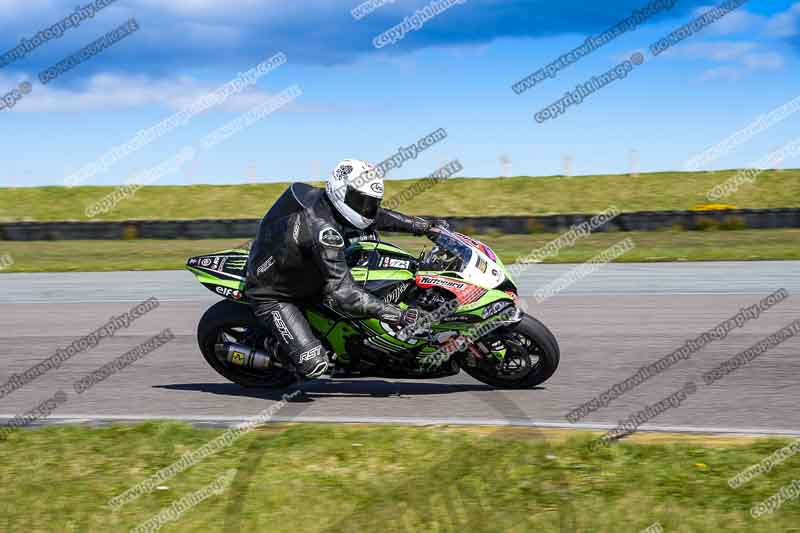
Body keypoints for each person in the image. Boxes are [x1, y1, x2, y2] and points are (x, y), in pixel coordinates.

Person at [244, 159, 447, 378]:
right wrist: (398, 314)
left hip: (301, 265)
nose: (367, 209)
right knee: (314, 365)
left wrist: (422, 226)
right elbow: (344, 293)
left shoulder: (329, 203)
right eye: (362, 202)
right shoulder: (324, 232)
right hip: (276, 293)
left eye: (371, 202)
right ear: (341, 192)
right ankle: (278, 353)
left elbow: (375, 216)